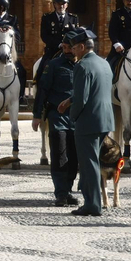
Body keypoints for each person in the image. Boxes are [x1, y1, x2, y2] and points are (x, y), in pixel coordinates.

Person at [59, 28, 112, 217]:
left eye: (74, 48)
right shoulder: (104, 63)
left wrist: (72, 117)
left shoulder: (81, 66)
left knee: (88, 164)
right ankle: (93, 200)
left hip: (88, 122)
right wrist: (69, 100)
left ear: (82, 47)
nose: (72, 51)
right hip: (105, 120)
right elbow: (95, 88)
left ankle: (92, 205)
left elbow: (82, 98)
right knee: (94, 163)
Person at [32, 38, 79, 207]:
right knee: (59, 155)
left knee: (74, 157)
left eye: (69, 47)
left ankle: (68, 190)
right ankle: (60, 193)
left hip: (77, 118)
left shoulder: (83, 64)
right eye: (64, 47)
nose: (66, 50)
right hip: (57, 117)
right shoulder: (54, 65)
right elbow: (42, 91)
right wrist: (37, 115)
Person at [39, 0, 80, 70]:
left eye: (63, 4)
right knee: (42, 68)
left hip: (70, 51)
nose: (61, 6)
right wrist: (59, 44)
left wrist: (69, 45)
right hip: (52, 51)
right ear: (54, 4)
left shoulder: (73, 18)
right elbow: (44, 36)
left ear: (67, 5)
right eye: (58, 4)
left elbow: (76, 35)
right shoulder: (47, 18)